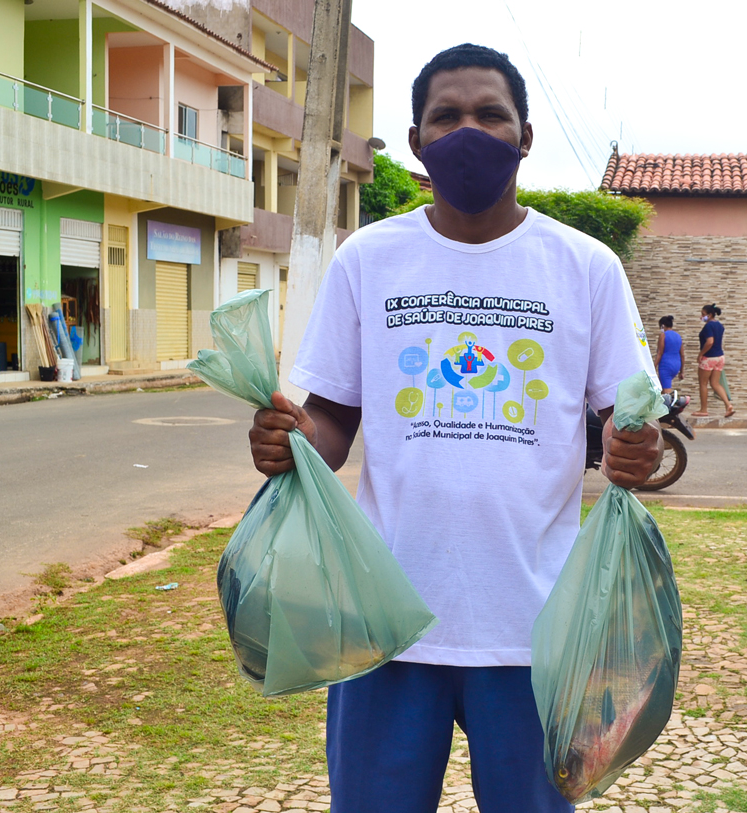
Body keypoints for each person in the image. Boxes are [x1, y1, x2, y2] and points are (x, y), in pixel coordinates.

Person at [248, 43, 663, 813]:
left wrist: (639, 452)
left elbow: (628, 423)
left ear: (525, 136)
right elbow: (335, 413)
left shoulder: (586, 267)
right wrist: (291, 443)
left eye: (489, 115)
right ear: (415, 141)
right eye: (446, 116)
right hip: (388, 622)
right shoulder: (368, 259)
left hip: (538, 627)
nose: (468, 131)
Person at [692, 303, 734, 418]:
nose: (701, 316)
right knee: (715, 383)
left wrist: (701, 354)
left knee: (703, 383)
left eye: (703, 314)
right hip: (720, 357)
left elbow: (710, 341)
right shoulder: (720, 325)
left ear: (710, 315)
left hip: (709, 357)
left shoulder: (708, 326)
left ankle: (703, 409)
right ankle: (728, 405)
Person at [654, 315, 683, 393]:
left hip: (666, 365)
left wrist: (653, 367)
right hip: (677, 365)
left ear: (662, 326)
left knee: (667, 391)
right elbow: (682, 355)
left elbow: (660, 352)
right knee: (662, 389)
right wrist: (681, 371)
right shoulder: (678, 336)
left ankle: (670, 404)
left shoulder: (663, 335)